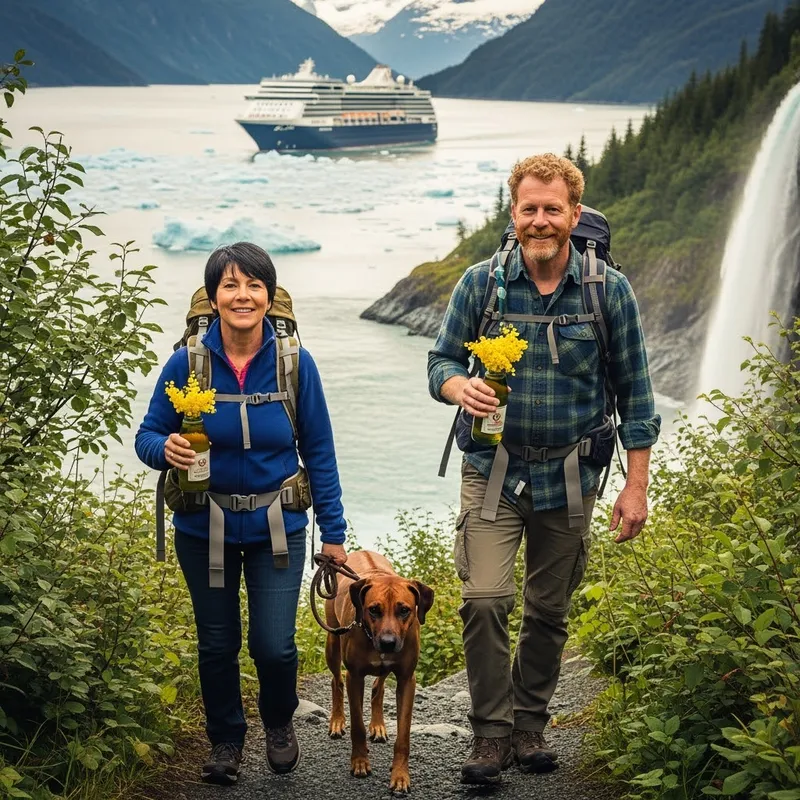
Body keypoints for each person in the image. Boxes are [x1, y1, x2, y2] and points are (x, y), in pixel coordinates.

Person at [427, 154, 661, 785]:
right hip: (491, 470)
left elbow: (637, 397)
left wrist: (635, 487)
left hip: (572, 477)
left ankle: (529, 726)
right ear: (513, 214)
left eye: (552, 209)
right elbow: (440, 362)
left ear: (574, 214)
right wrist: (458, 391)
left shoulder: (607, 292)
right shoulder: (481, 283)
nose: (540, 221)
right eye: (528, 209)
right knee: (483, 599)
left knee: (548, 610)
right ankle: (490, 734)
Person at [135, 242, 347, 785]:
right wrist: (168, 451)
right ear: (214, 297)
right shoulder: (189, 363)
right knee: (217, 642)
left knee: (274, 646)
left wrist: (334, 535)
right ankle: (226, 740)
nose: (243, 295)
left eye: (254, 285)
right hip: (203, 527)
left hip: (278, 527)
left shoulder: (295, 364)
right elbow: (147, 435)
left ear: (270, 296)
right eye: (230, 285)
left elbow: (319, 451)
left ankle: (278, 723)